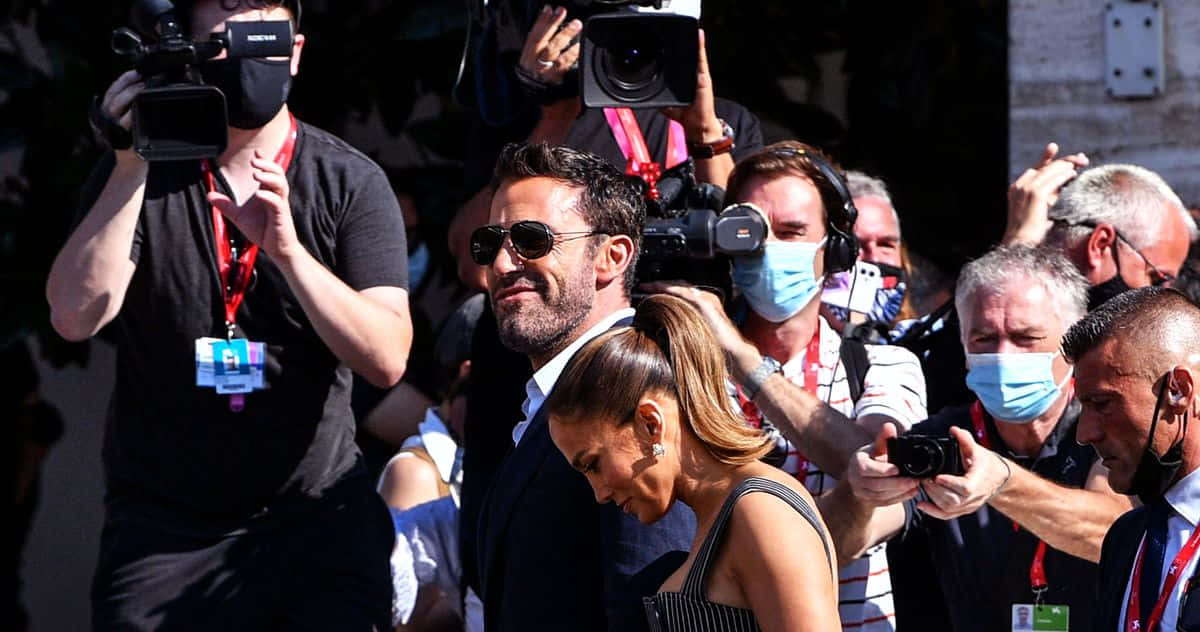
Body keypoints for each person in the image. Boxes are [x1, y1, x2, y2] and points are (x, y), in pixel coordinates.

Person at [45, 1, 412, 628]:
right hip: (166, 530)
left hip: (314, 518)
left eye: (261, 41)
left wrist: (290, 255)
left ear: (295, 53)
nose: (242, 61)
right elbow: (75, 317)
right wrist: (130, 163)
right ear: (187, 55)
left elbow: (386, 358)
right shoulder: (140, 172)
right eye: (221, 43)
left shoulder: (348, 181)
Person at [648, 141, 928, 630]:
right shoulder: (680, 370)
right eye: (752, 231)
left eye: (792, 231)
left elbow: (873, 465)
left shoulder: (883, 365)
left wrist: (744, 363)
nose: (770, 247)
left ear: (835, 248)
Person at [825, 245, 1134, 631]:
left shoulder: (1108, 423)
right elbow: (839, 544)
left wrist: (1002, 481)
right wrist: (859, 493)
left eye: (1025, 337)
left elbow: (1112, 532)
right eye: (984, 338)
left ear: (1075, 341)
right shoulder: (943, 439)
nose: (1004, 355)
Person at [471, 142, 694, 631]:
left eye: (532, 240)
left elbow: (649, 608)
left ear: (611, 256)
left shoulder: (636, 391)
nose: (503, 265)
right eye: (489, 244)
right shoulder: (552, 395)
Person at [544, 294, 840, 632]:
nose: (600, 493)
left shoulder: (761, 511)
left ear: (650, 424)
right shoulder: (731, 513)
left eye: (594, 464)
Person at [1064, 287, 1200, 631]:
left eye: (1102, 404)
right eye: (1083, 407)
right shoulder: (1126, 537)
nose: (1085, 433)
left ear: (1178, 391)